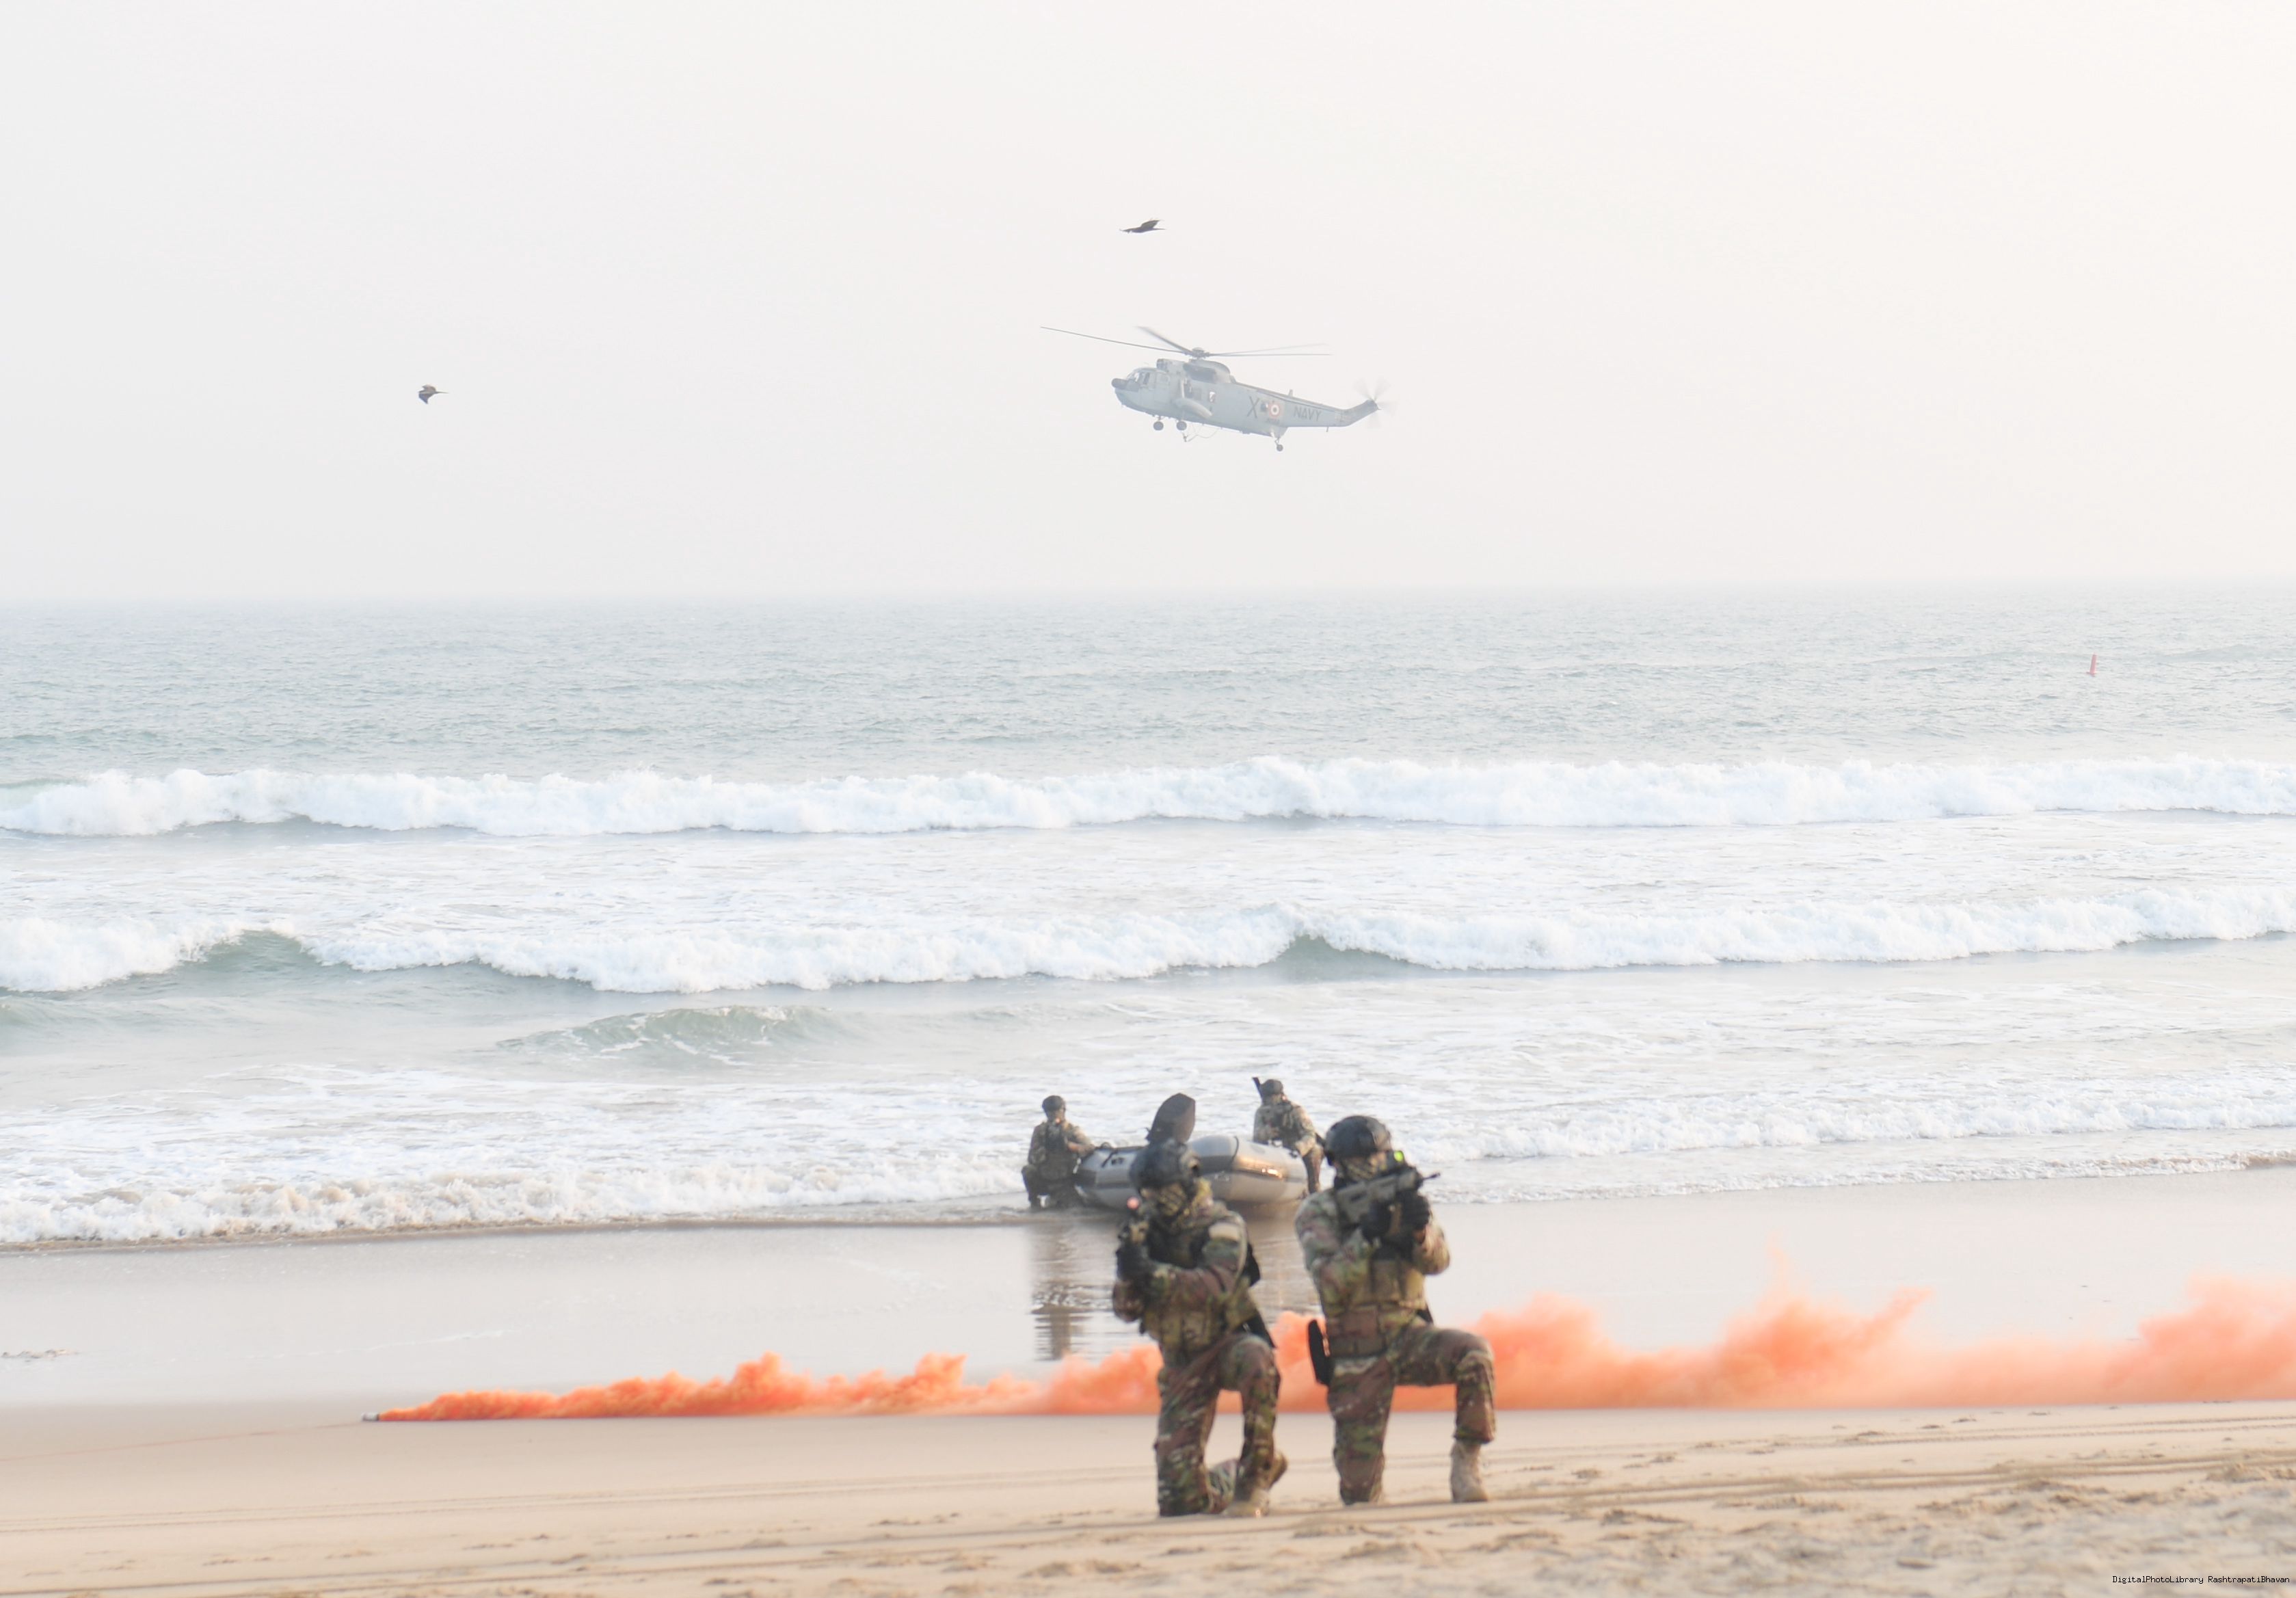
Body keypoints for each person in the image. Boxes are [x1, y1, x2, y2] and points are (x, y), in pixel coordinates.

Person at [1294, 1114, 1494, 1505]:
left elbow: (1439, 1263)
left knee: (1475, 1354)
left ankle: (1467, 1459)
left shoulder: (1404, 1200)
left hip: (1409, 1337)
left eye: (1377, 1155)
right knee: (1360, 1496)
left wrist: (1418, 1234)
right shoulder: (1319, 1212)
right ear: (1337, 1164)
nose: (1370, 1165)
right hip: (1355, 1353)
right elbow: (1332, 1283)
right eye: (1359, 1159)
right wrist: (1368, 1235)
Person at [1112, 1139, 1285, 1516]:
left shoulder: (1222, 1225)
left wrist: (1152, 1273)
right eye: (1149, 1191)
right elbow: (1126, 1311)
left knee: (1258, 1360)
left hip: (1227, 1344)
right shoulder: (1145, 1232)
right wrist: (1128, 1273)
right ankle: (1229, 1478)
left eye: (1164, 1189)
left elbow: (1214, 1287)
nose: (1157, 1199)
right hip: (1182, 1360)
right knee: (1179, 1503)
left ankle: (1256, 1474)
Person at [1251, 1077, 1324, 1194]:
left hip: (1299, 1148)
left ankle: (1314, 1191)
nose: (1270, 1101)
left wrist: (1299, 1148)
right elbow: (1257, 1138)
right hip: (1279, 1150)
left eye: (1272, 1097)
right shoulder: (1262, 1112)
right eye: (1267, 1097)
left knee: (1315, 1151)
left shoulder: (1294, 1110)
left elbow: (1309, 1135)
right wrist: (1268, 1132)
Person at [1022, 1095, 1093, 1210]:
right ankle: (1034, 1202)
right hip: (1044, 1180)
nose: (1053, 1115)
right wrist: (1046, 1149)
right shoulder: (1040, 1131)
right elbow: (1032, 1158)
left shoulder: (1072, 1130)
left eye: (1056, 1111)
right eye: (1049, 1112)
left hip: (1064, 1182)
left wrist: (1068, 1146)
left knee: (1078, 1210)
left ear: (1063, 1110)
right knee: (1028, 1171)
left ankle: (1057, 1199)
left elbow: (1089, 1148)